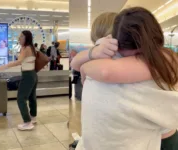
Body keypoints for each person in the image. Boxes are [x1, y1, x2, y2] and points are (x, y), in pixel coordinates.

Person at [71, 7, 178, 150]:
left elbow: (101, 70)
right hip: (162, 136)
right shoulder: (154, 72)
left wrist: (87, 64)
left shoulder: (93, 72)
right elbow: (106, 72)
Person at [0, 30, 38, 131]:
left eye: (21, 37)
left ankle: (27, 122)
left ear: (27, 38)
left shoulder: (25, 48)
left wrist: (5, 66)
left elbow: (19, 61)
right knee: (32, 97)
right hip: (33, 74)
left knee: (21, 99)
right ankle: (33, 117)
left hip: (27, 76)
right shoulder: (32, 47)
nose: (19, 39)